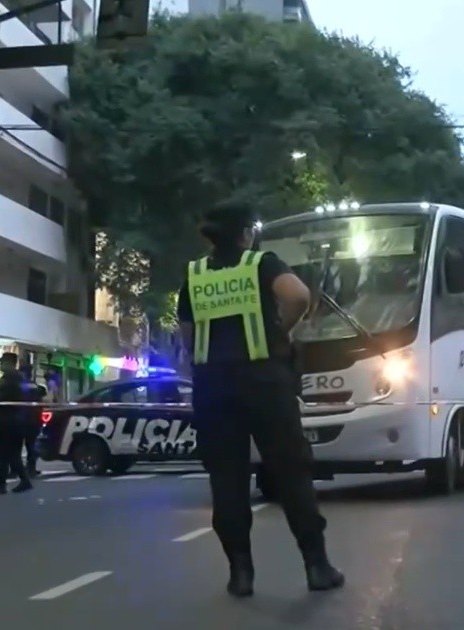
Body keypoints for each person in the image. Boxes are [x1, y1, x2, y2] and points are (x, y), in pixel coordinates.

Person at [177, 201, 343, 598]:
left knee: (227, 480)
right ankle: (317, 566)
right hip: (265, 381)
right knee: (290, 473)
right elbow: (298, 296)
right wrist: (279, 331)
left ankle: (240, 574)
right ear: (246, 233)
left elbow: (186, 333)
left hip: (214, 387)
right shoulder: (260, 264)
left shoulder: (195, 275)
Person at [0, 353, 33, 495]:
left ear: (10, 363)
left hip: (6, 422)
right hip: (17, 421)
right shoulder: (20, 378)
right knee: (13, 454)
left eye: (2, 362)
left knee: (3, 454)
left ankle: (3, 484)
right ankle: (22, 480)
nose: (0, 365)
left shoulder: (8, 379)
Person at [21, 365, 47, 477]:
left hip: (22, 419)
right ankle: (31, 468)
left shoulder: (21, 386)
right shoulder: (35, 386)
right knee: (31, 445)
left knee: (17, 446)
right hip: (34, 420)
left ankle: (17, 470)